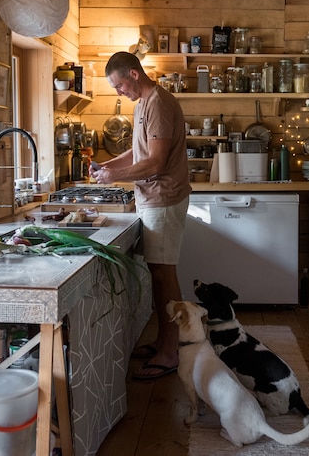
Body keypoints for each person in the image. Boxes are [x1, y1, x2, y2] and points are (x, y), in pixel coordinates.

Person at [89, 51, 191, 379]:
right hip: (152, 198)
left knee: (163, 275)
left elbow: (157, 162)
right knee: (159, 273)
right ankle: (164, 340)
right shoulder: (142, 105)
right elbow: (139, 150)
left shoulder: (158, 103)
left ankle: (170, 351)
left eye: (120, 85)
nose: (119, 92)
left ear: (134, 74)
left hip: (163, 197)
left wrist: (114, 178)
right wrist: (108, 167)